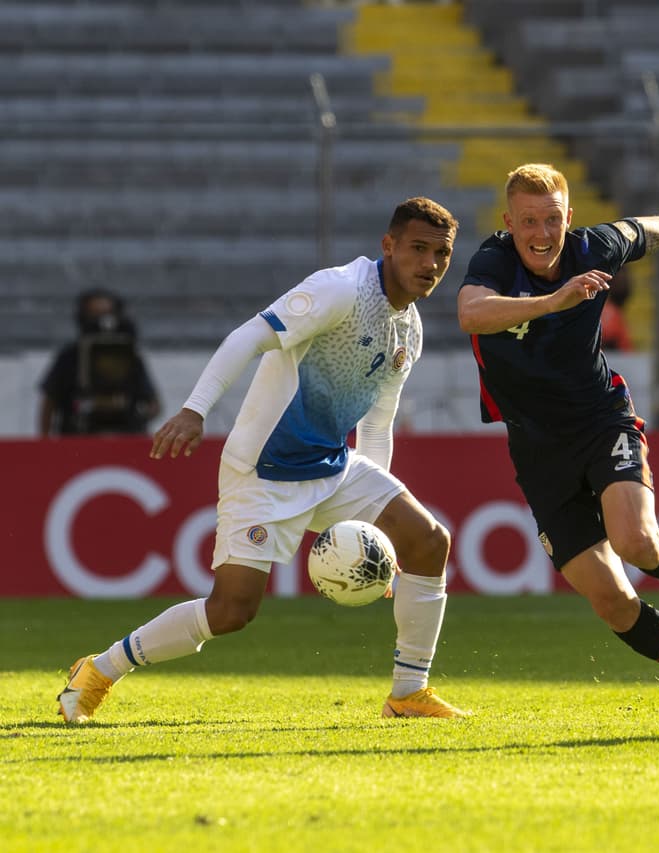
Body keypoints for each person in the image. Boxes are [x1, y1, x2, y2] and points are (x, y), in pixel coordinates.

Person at [58, 197, 469, 723]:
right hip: (264, 469)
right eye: (417, 248)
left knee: (428, 541)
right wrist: (193, 410)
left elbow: (375, 422)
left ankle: (408, 693)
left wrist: (376, 536)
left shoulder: (407, 329)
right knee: (231, 612)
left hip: (334, 466)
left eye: (442, 253)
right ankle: (98, 669)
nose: (430, 264)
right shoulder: (340, 289)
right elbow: (250, 335)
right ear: (388, 246)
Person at [457, 163, 659, 720]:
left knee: (635, 542)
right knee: (610, 600)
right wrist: (553, 301)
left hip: (601, 420)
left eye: (552, 219)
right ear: (509, 223)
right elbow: (470, 314)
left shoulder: (595, 245)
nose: (541, 233)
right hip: (537, 450)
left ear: (569, 217)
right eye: (528, 221)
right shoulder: (494, 258)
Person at [38, 288, 161, 436]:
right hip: (77, 438)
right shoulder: (69, 357)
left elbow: (154, 404)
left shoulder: (130, 356)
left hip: (126, 438)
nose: (101, 321)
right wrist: (45, 444)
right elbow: (49, 402)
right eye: (94, 315)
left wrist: (137, 414)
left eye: (107, 314)